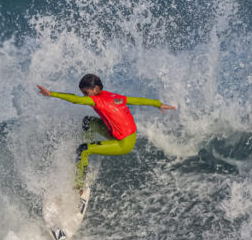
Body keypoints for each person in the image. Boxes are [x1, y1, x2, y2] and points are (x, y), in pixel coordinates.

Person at [36, 74, 177, 190]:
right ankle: (86, 156)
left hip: (123, 143)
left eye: (86, 93)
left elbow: (75, 100)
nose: (84, 96)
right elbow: (137, 100)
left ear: (96, 89)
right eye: (83, 93)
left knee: (82, 150)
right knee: (87, 122)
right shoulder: (113, 97)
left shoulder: (97, 101)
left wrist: (52, 94)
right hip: (117, 131)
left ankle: (79, 186)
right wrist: (158, 104)